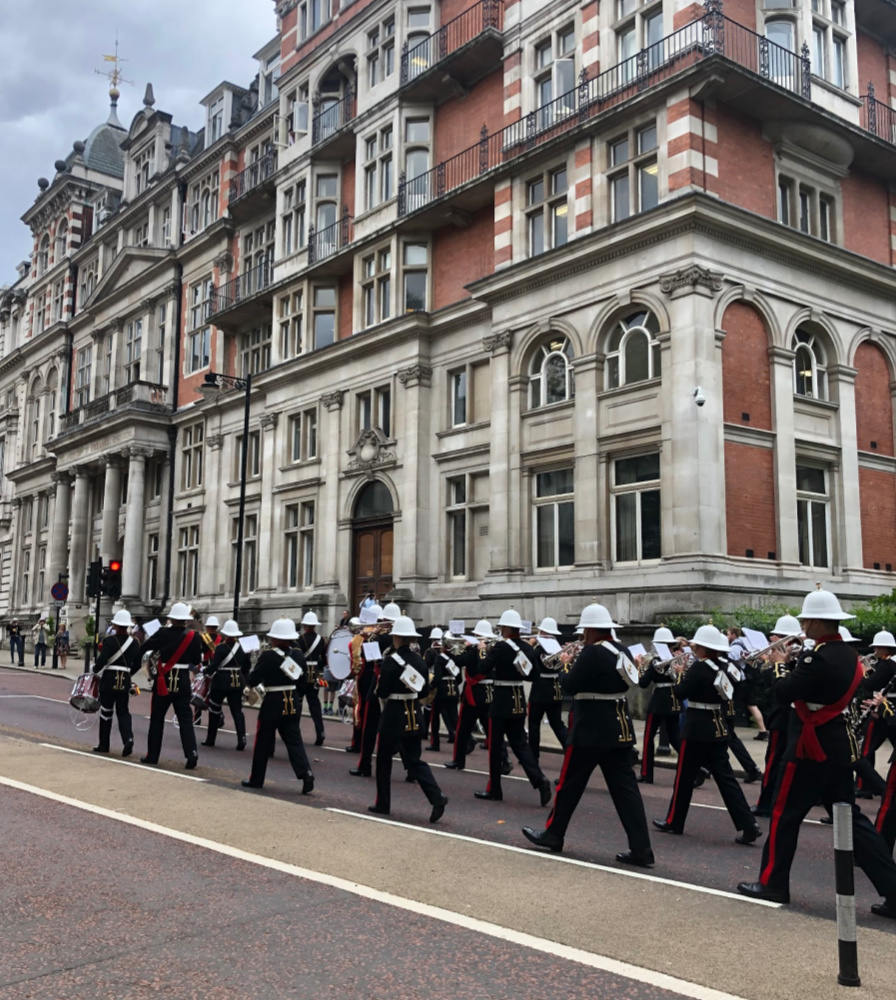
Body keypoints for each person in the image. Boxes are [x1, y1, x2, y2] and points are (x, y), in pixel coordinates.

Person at [737, 589, 896, 918]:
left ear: (817, 622)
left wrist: (781, 666)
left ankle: (773, 882)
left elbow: (783, 693)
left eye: (806, 620)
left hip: (810, 748)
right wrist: (796, 664)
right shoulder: (846, 656)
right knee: (851, 819)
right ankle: (893, 890)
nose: (803, 626)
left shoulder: (817, 657)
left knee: (785, 814)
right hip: (835, 744)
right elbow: (815, 684)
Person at [523, 602, 654, 866]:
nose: (582, 637)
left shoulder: (593, 653)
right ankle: (641, 849)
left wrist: (565, 664)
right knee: (626, 792)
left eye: (585, 632)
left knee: (568, 785)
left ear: (592, 631)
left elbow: (570, 685)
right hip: (619, 727)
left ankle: (554, 834)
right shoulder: (621, 649)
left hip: (591, 728)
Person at [654, 624, 761, 843]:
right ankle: (748, 824)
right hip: (718, 725)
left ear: (703, 648)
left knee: (684, 778)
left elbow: (681, 692)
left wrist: (680, 675)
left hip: (696, 728)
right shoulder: (727, 665)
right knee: (726, 779)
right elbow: (740, 690)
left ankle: (675, 820)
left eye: (696, 645)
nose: (693, 648)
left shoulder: (700, 668)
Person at [368, 614, 447, 822]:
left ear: (396, 638)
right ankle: (436, 795)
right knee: (414, 761)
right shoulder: (420, 661)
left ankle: (383, 803)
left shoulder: (390, 661)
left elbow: (382, 692)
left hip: (393, 715)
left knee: (384, 761)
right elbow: (422, 694)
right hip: (414, 712)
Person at [474, 608, 551, 806]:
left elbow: (482, 669)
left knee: (495, 746)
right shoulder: (526, 648)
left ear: (507, 628)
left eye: (501, 627)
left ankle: (495, 789)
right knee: (521, 746)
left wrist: (484, 650)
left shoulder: (500, 647)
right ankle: (539, 780)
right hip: (518, 699)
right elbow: (533, 676)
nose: (499, 630)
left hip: (501, 701)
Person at [242, 617, 314, 794]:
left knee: (263, 743)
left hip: (273, 702)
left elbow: (253, 680)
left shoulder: (268, 656)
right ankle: (306, 773)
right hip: (292, 701)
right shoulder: (298, 655)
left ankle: (256, 779)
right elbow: (303, 682)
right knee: (294, 742)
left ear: (276, 638)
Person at [138, 602, 203, 769]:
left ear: (171, 619)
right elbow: (196, 660)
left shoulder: (162, 632)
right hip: (182, 681)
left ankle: (152, 756)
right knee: (185, 720)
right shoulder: (194, 636)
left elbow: (145, 647)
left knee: (157, 719)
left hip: (163, 681)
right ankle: (191, 754)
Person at [752, 616, 803, 818]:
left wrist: (778, 664)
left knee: (773, 762)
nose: (774, 641)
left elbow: (780, 687)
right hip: (786, 716)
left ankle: (766, 804)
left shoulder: (795, 656)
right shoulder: (792, 655)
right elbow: (768, 683)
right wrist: (765, 664)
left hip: (784, 716)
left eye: (779, 637)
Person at [351, 604, 395, 777]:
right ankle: (411, 768)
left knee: (369, 728)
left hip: (376, 687)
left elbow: (367, 655)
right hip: (394, 687)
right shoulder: (403, 640)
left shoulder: (378, 638)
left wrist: (372, 635)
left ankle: (365, 765)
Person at [92, 609, 142, 756]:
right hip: (124, 680)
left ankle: (104, 744)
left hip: (109, 679)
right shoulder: (134, 642)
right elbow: (138, 663)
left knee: (106, 712)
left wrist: (95, 670)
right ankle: (128, 739)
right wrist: (128, 672)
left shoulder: (109, 641)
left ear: (115, 625)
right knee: (123, 712)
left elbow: (102, 660)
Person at [637, 626, 683, 783]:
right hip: (674, 699)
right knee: (675, 738)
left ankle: (646, 774)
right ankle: (699, 766)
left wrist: (639, 667)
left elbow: (643, 683)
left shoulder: (656, 661)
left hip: (659, 701)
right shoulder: (676, 659)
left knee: (648, 738)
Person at [855, 630, 896, 798]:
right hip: (889, 710)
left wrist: (862, 671)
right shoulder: (888, 664)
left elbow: (869, 684)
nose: (875, 651)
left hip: (882, 710)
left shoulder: (887, 665)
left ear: (883, 648)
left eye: (877, 648)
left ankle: (864, 786)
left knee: (865, 750)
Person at [201, 619, 250, 750]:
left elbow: (214, 666)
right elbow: (246, 667)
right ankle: (242, 739)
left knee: (214, 709)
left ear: (226, 634)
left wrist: (204, 670)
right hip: (237, 682)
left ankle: (211, 739)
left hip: (221, 682)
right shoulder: (243, 648)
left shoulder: (221, 648)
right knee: (237, 711)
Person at [526, 617, 569, 762]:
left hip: (540, 688)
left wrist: (530, 645)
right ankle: (569, 749)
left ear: (542, 631)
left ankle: (533, 755)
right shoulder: (558, 647)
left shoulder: (538, 648)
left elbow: (528, 661)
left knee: (534, 723)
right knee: (557, 723)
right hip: (556, 688)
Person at [727, 627, 768, 740]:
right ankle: (763, 730)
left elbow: (726, 660)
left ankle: (727, 729)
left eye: (728, 634)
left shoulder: (735, 648)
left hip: (740, 680)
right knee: (751, 704)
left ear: (734, 635)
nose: (727, 637)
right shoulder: (747, 645)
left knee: (730, 703)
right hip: (748, 680)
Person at [425, 628, 459, 752]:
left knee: (434, 718)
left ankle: (435, 743)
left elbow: (438, 677)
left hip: (442, 691)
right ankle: (466, 739)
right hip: (453, 689)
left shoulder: (440, 658)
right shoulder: (454, 658)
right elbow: (458, 676)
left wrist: (430, 687)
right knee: (454, 717)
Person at [296, 611, 326, 746]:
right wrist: (317, 665)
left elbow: (297, 658)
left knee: (298, 703)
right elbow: (325, 660)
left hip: (302, 674)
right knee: (315, 705)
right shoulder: (321, 640)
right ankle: (320, 732)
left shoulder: (300, 639)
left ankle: (295, 732)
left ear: (304, 625)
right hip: (314, 674)